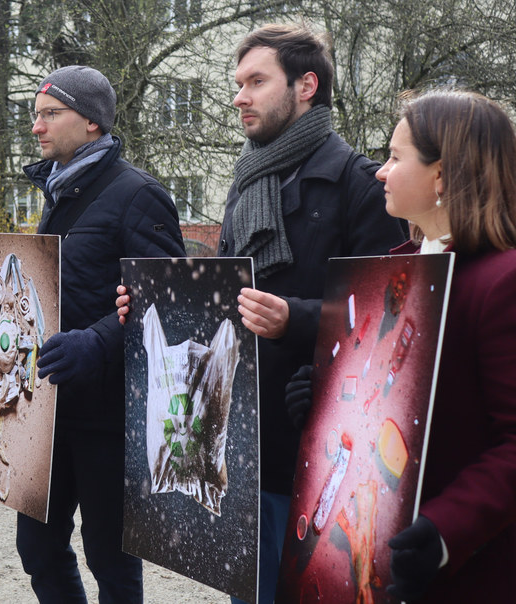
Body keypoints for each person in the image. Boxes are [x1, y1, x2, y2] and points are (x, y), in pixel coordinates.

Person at [118, 24, 407, 603]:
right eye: (236, 83)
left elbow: (389, 319)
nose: (238, 97)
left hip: (322, 445)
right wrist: (152, 311)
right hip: (242, 445)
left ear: (307, 85)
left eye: (255, 81)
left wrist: (295, 319)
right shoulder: (247, 181)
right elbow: (225, 305)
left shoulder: (360, 183)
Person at [285, 89, 516, 602]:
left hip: (463, 573)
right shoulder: (398, 271)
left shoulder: (501, 282)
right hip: (380, 554)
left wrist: (442, 532)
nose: (379, 172)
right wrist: (323, 405)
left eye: (394, 157)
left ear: (442, 175)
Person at [18, 65, 185, 603]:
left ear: (91, 121)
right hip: (47, 409)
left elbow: (169, 303)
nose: (37, 128)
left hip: (109, 412)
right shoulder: (57, 193)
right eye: (35, 115)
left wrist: (96, 341)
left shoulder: (138, 194)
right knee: (37, 550)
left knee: (111, 560)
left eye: (50, 114)